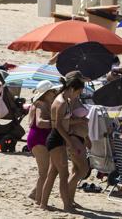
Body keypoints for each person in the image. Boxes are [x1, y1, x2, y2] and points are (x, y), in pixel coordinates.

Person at [37, 72, 88, 212]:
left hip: (57, 138)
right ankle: (67, 206)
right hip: (57, 139)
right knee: (63, 174)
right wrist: (69, 143)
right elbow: (58, 125)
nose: (77, 95)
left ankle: (43, 203)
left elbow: (63, 123)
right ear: (72, 89)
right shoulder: (60, 102)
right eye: (78, 92)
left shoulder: (64, 100)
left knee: (53, 173)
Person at [25, 80, 58, 202]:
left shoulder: (44, 103)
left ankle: (34, 193)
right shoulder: (40, 104)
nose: (55, 93)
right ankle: (38, 200)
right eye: (52, 91)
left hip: (42, 138)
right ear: (46, 93)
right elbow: (39, 122)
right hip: (38, 139)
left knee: (47, 170)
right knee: (44, 172)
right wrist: (55, 124)